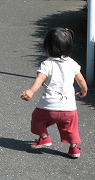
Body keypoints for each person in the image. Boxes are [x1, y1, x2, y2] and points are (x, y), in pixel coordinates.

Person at [21, 27, 88, 158]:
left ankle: (44, 137)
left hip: (48, 106)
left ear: (48, 48)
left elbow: (40, 79)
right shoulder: (73, 63)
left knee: (37, 119)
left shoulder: (47, 64)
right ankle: (74, 149)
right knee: (71, 128)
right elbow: (80, 79)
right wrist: (84, 90)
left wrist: (31, 91)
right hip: (69, 108)